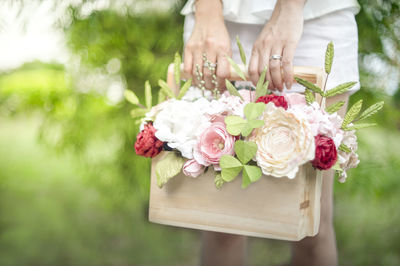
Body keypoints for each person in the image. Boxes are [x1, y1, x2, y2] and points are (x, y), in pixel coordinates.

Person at [181, 0, 360, 265]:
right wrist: (207, 11)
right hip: (221, 21)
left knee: (311, 224)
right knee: (221, 224)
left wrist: (290, 8)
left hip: (313, 16)